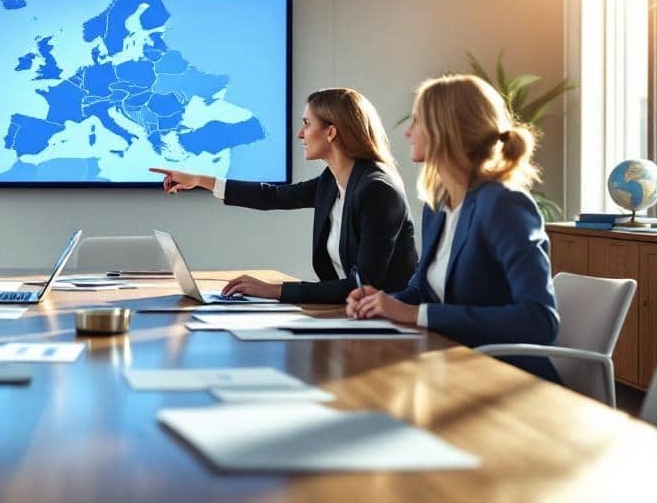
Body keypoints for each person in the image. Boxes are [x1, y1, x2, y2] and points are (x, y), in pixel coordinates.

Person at [346, 74, 561, 382]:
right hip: (451, 367)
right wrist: (380, 302)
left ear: (445, 130)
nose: (407, 132)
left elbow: (539, 321)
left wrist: (413, 314)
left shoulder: (503, 204)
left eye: (417, 121)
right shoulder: (437, 206)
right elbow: (423, 289)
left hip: (505, 380)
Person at [151, 88, 417, 304]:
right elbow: (274, 197)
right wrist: (199, 180)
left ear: (331, 132)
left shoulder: (377, 190)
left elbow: (363, 286)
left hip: (386, 323)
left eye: (307, 124)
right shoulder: (331, 182)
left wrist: (275, 290)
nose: (300, 133)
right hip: (349, 313)